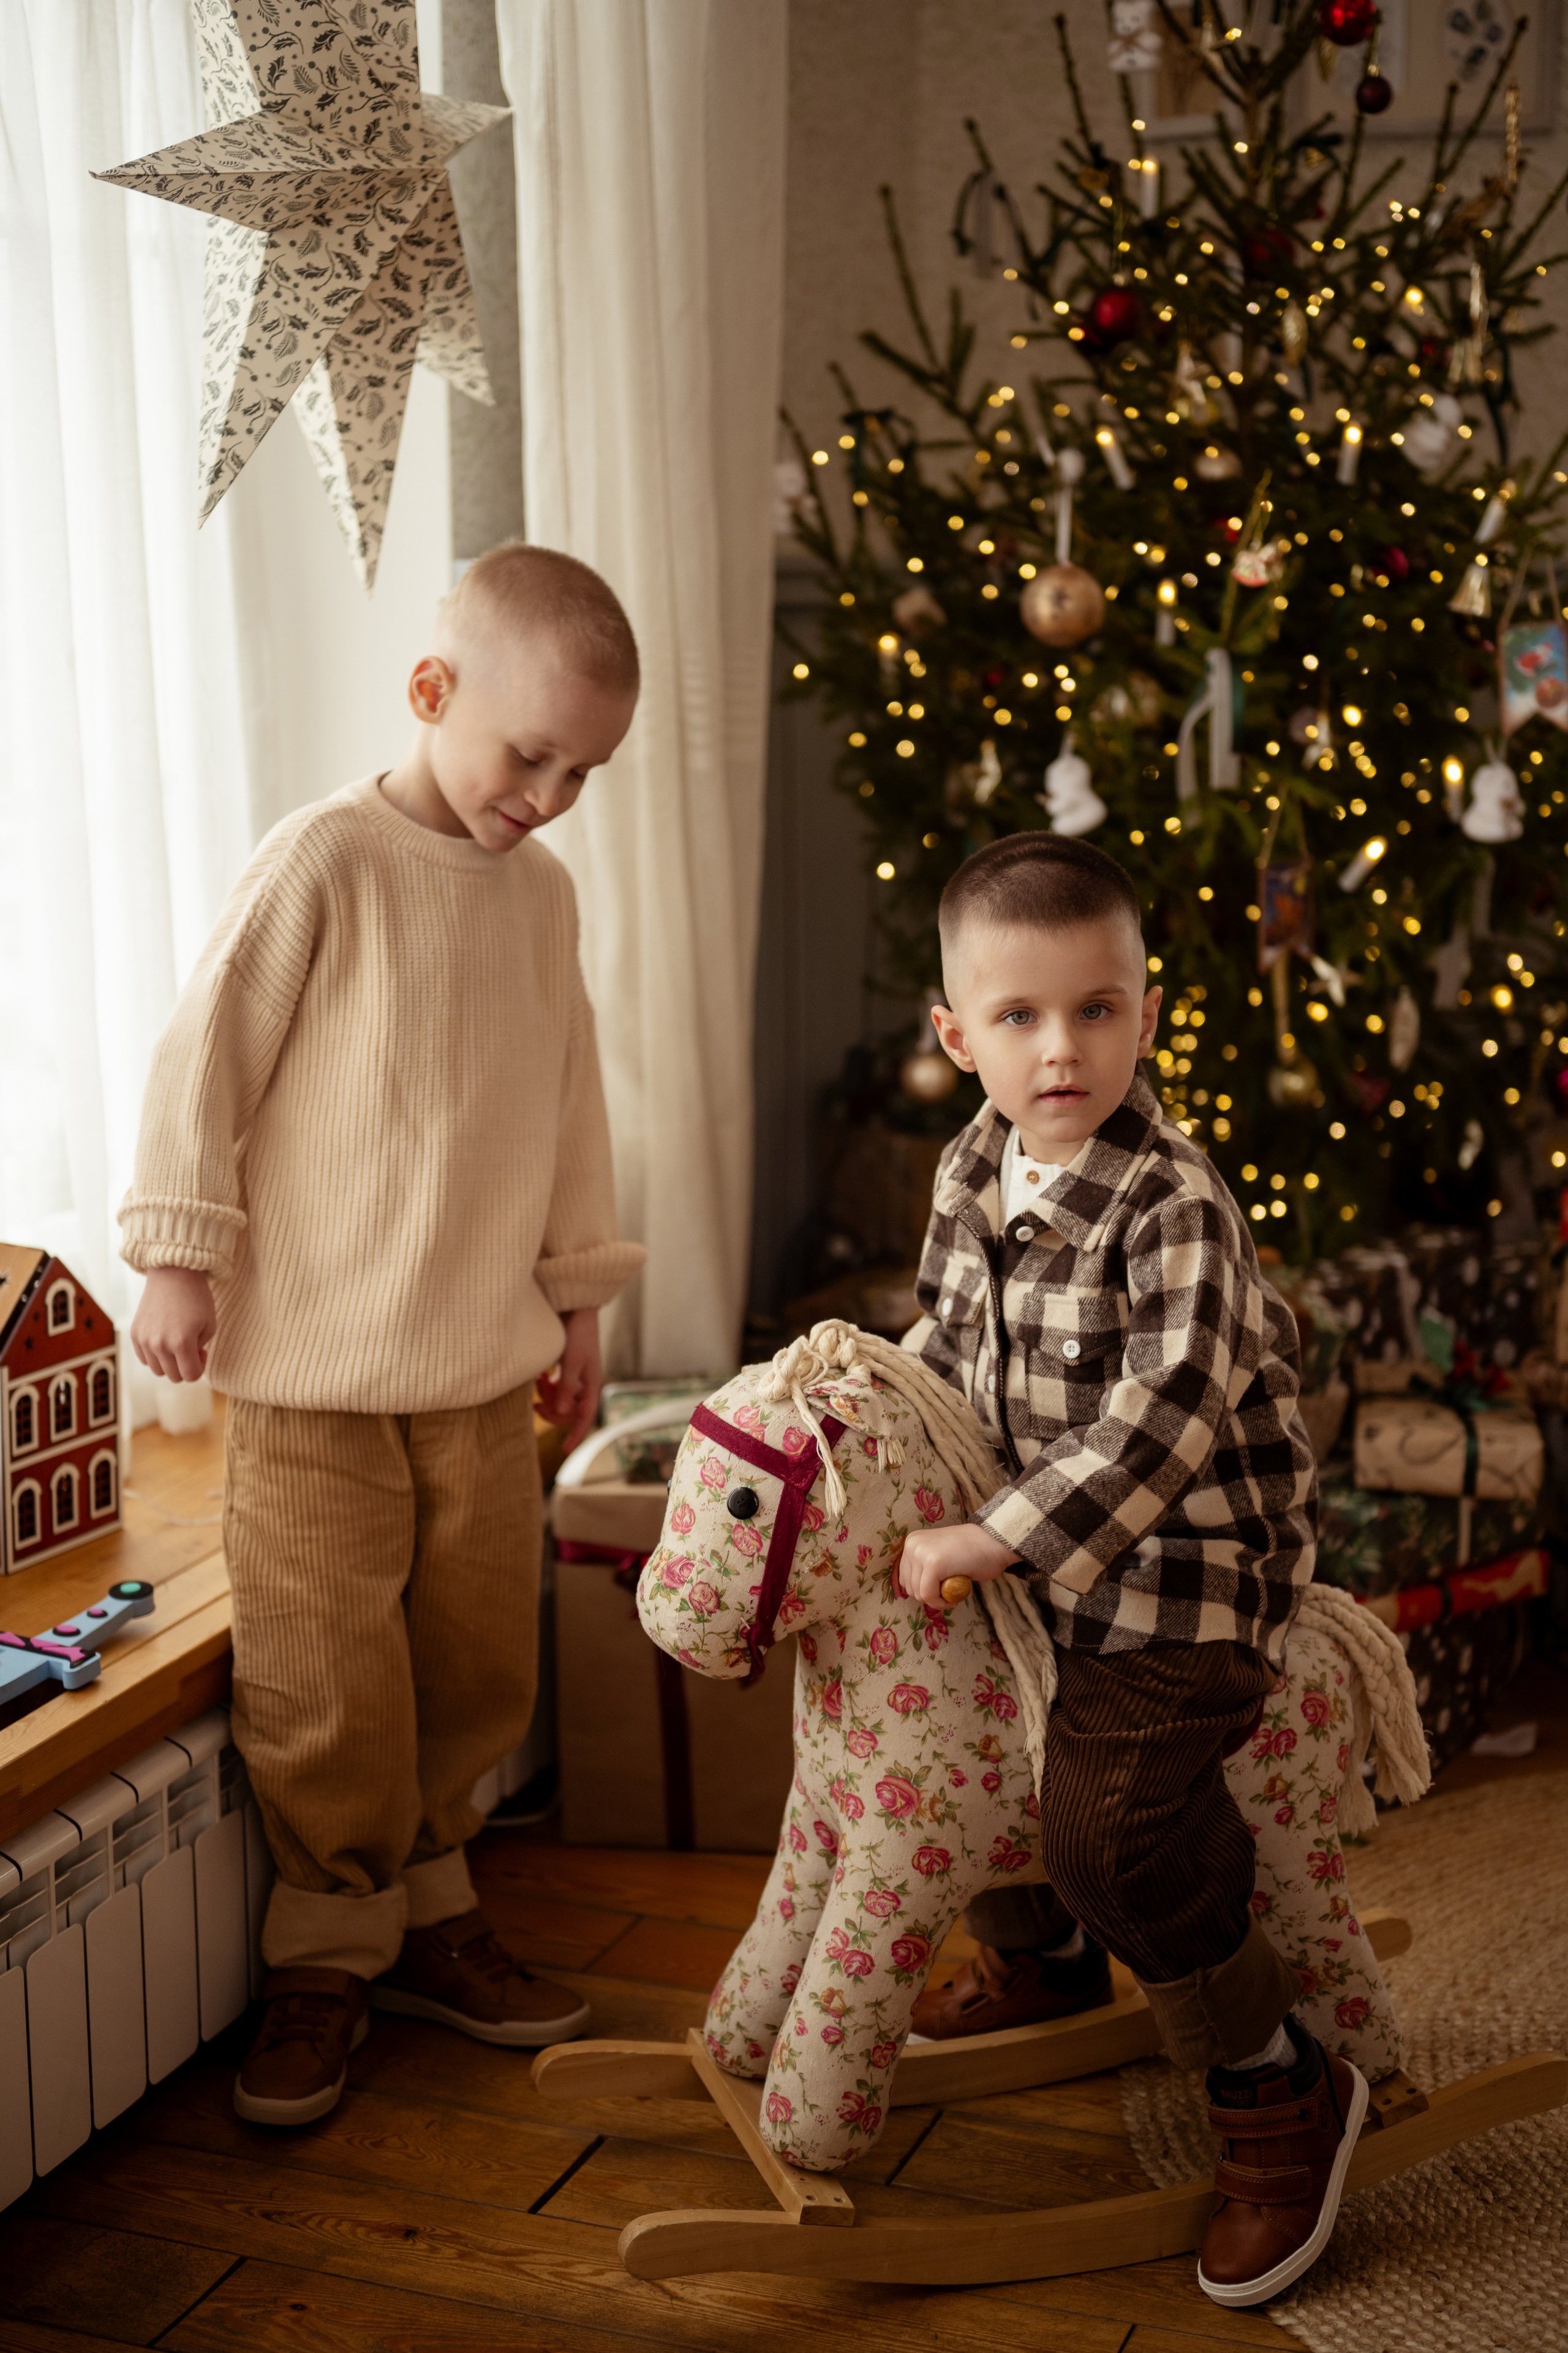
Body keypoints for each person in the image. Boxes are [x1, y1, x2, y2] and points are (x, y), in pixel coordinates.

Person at [121, 542, 645, 2127]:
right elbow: (202, 1057)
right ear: (432, 693)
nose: (550, 795)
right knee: (327, 1664)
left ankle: (435, 1902)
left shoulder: (541, 900)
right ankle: (328, 1945)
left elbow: (566, 1103)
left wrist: (577, 1290)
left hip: (481, 1366)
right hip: (314, 1379)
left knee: (478, 1650)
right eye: (528, 754)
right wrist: (182, 1255)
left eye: (584, 772)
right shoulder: (324, 861)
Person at [897, 833, 1361, 2310]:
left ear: (1145, 1011)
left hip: (1185, 1577)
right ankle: (1035, 1958)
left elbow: (1154, 1433)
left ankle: (1274, 2075)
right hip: (1035, 1558)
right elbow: (936, 1343)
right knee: (940, 1726)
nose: (1059, 1050)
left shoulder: (1174, 1208)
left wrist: (992, 1536)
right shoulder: (971, 1162)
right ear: (954, 1033)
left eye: (1095, 1009)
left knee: (1105, 1826)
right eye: (1019, 1018)